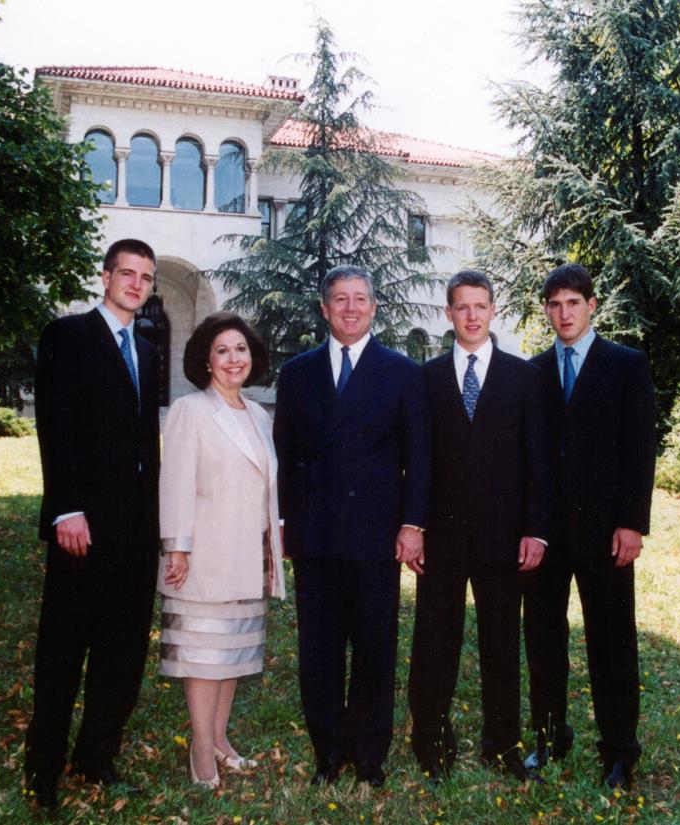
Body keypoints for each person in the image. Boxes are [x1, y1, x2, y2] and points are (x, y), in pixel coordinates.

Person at [273, 265, 431, 789]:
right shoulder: (297, 374)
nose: (350, 308)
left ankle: (369, 753)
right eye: (339, 299)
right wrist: (285, 527)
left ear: (374, 307)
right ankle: (327, 752)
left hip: (375, 535)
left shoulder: (402, 371)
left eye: (359, 299)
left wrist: (412, 524)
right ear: (324, 309)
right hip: (316, 536)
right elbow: (285, 457)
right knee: (319, 650)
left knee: (373, 646)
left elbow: (419, 457)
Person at [25, 238, 162, 808]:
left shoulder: (148, 348)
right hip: (82, 524)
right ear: (105, 277)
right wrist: (66, 508)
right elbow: (54, 428)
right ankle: (44, 768)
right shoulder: (69, 337)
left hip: (136, 528)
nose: (135, 284)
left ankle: (97, 754)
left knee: (123, 649)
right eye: (126, 273)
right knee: (65, 647)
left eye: (145, 277)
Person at [407, 270, 550, 784]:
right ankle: (430, 742)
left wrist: (536, 530)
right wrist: (414, 525)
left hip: (504, 538)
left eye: (480, 306)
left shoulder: (523, 377)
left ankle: (502, 746)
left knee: (500, 643)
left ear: (494, 311)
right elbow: (417, 459)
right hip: (441, 538)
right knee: (434, 642)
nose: (471, 315)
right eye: (461, 307)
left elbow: (537, 460)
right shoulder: (425, 378)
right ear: (448, 314)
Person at [522, 263, 656, 790]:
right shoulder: (532, 373)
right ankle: (550, 738)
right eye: (554, 305)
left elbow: (640, 450)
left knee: (613, 644)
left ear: (591, 305)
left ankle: (620, 752)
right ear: (546, 311)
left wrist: (631, 523)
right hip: (547, 536)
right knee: (544, 641)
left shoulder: (625, 365)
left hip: (606, 535)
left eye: (573, 303)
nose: (564, 314)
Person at [157, 312, 285, 789]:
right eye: (223, 351)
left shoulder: (257, 414)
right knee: (204, 659)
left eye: (242, 350)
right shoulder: (191, 410)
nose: (234, 359)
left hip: (249, 557)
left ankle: (220, 740)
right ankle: (200, 750)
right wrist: (177, 547)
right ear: (206, 361)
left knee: (233, 656)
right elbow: (176, 484)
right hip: (204, 556)